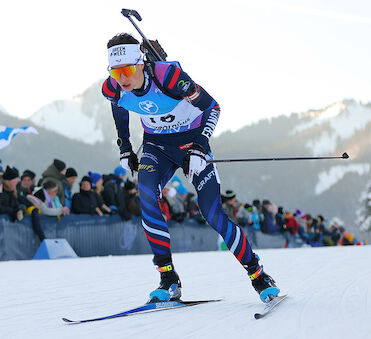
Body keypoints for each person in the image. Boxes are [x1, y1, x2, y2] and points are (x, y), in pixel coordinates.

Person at [101, 33, 279, 303]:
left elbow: (213, 108)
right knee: (147, 198)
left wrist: (199, 146)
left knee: (212, 214)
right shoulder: (112, 88)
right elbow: (119, 108)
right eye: (115, 72)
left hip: (192, 143)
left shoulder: (168, 76)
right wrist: (125, 145)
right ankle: (168, 279)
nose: (121, 78)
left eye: (126, 70)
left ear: (140, 63)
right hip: (156, 147)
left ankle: (258, 275)